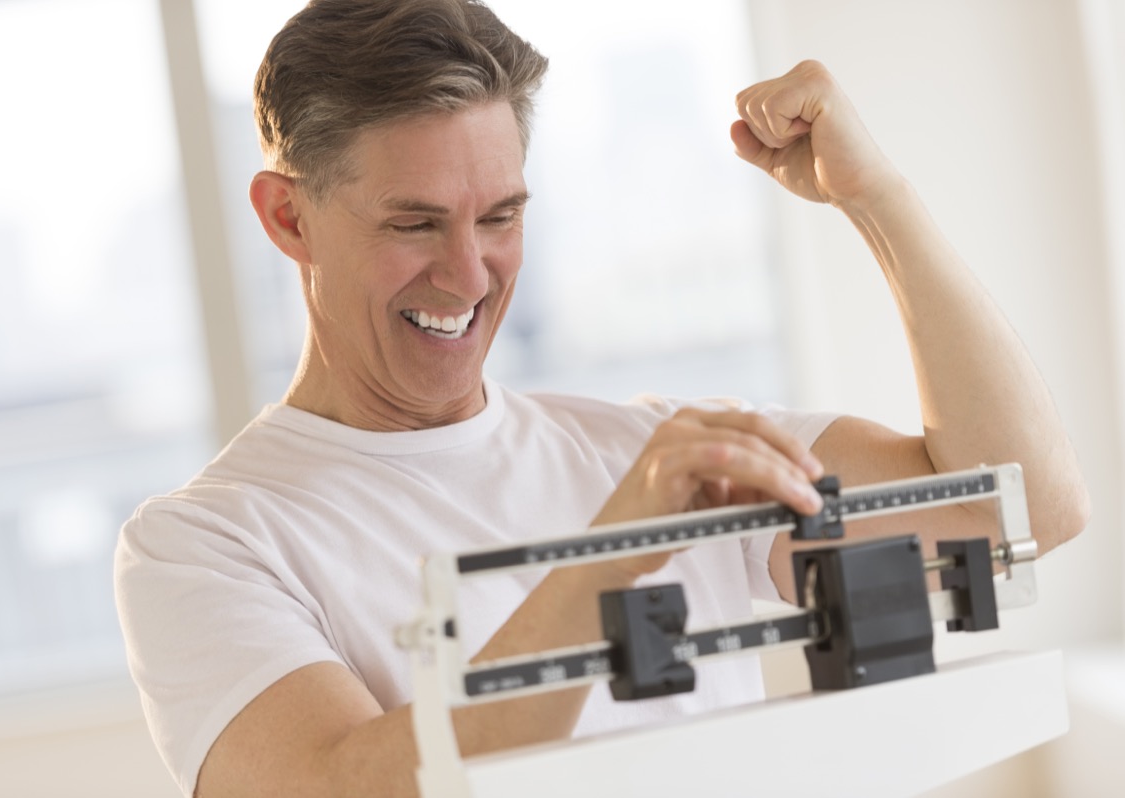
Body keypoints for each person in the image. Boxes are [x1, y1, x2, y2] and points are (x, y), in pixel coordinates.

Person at [113, 1, 1091, 796]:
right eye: (414, 223)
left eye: (499, 217)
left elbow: (1019, 510)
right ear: (289, 216)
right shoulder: (205, 543)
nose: (466, 275)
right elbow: (332, 788)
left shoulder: (659, 451)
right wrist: (620, 548)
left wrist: (876, 197)